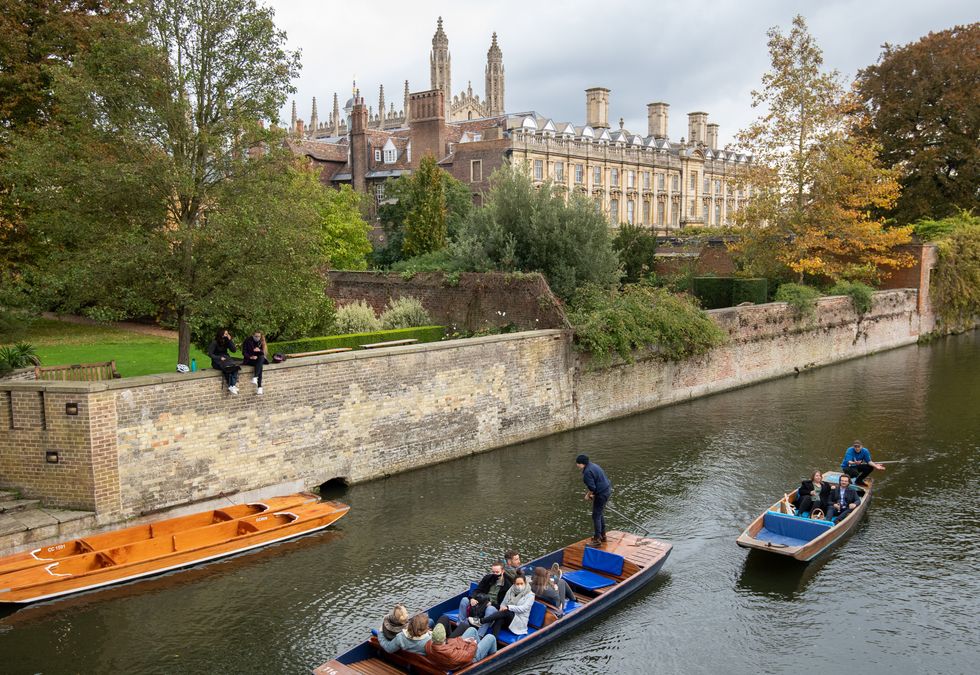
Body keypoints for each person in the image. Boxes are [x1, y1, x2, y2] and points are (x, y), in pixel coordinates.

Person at [476, 573, 535, 638]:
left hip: (519, 621)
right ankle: (492, 639)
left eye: (521, 584)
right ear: (514, 584)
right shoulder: (511, 590)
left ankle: (482, 621)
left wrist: (508, 607)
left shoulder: (530, 595)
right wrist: (502, 607)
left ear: (525, 583)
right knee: (500, 618)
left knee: (507, 612)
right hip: (507, 618)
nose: (519, 586)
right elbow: (504, 603)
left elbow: (523, 609)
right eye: (517, 584)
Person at [424, 622, 497, 669]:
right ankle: (491, 657)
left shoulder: (429, 644)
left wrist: (462, 640)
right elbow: (468, 655)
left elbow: (449, 642)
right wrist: (473, 644)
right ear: (444, 637)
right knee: (491, 637)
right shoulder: (450, 654)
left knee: (472, 630)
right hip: (469, 659)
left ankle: (482, 651)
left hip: (459, 657)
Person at [576, 454, 612, 546]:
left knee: (595, 516)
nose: (577, 465)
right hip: (606, 490)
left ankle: (597, 540)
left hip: (602, 493)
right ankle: (603, 536)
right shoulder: (594, 466)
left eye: (578, 463)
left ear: (582, 464)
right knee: (599, 513)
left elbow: (592, 487)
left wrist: (588, 495)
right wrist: (593, 494)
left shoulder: (587, 473)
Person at [207, 328, 241, 395]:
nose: (227, 335)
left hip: (226, 358)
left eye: (227, 334)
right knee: (227, 368)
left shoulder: (226, 341)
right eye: (225, 334)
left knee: (235, 367)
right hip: (217, 361)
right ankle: (231, 385)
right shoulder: (215, 342)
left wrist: (230, 340)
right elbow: (210, 354)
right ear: (221, 334)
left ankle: (232, 385)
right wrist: (219, 358)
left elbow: (234, 350)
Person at [241, 330, 268, 395]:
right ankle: (259, 386)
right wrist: (250, 357)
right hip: (249, 360)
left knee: (260, 359)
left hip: (258, 359)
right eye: (256, 336)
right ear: (252, 335)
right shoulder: (247, 341)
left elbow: (263, 353)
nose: (257, 337)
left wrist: (260, 350)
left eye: (259, 336)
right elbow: (244, 352)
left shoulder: (261, 341)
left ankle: (256, 377)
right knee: (260, 366)